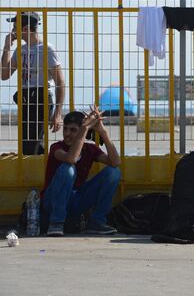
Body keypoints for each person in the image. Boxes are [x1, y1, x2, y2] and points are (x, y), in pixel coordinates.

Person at [41, 106, 120, 236]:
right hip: (53, 201)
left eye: (73, 130)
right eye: (65, 129)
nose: (67, 133)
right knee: (68, 169)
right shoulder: (57, 147)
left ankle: (97, 222)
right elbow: (71, 158)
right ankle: (56, 223)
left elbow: (115, 162)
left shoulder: (90, 149)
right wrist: (84, 128)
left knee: (114, 172)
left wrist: (102, 130)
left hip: (76, 200)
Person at [2, 12, 65, 155]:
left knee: (35, 144)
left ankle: (40, 173)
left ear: (25, 28)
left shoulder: (47, 49)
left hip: (40, 96)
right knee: (26, 144)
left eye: (15, 25)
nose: (13, 29)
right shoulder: (21, 50)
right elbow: (4, 75)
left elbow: (60, 81)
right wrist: (7, 46)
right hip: (25, 97)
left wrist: (58, 113)